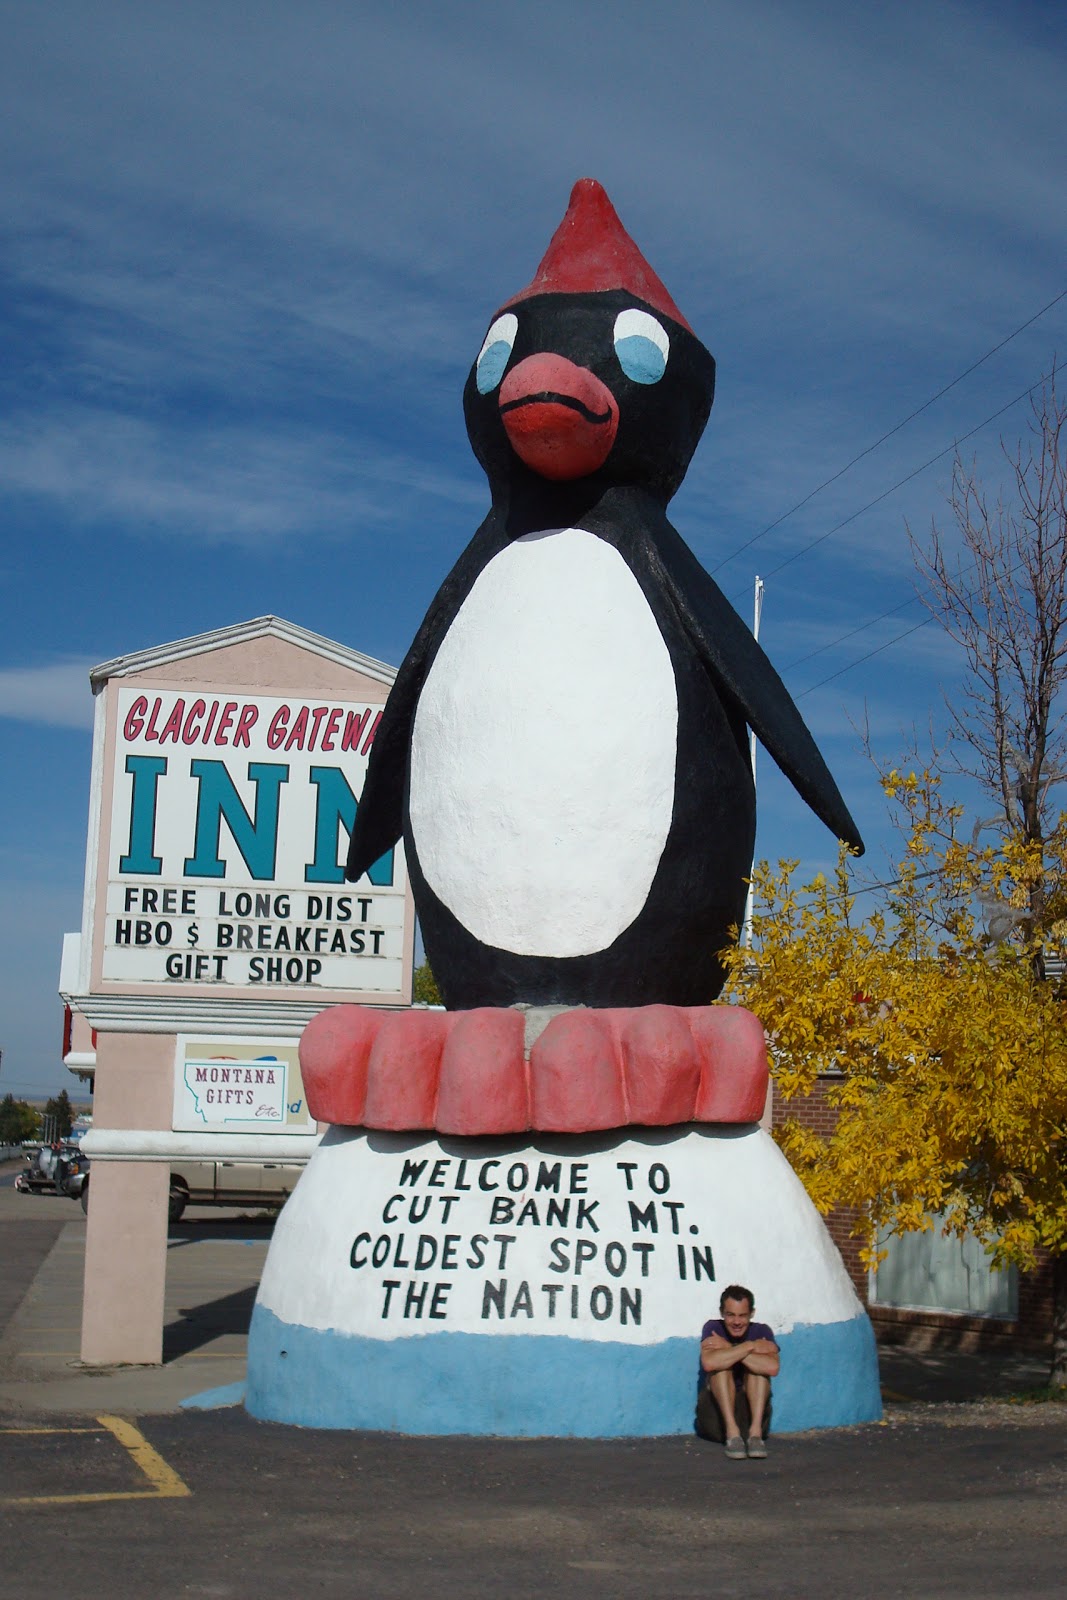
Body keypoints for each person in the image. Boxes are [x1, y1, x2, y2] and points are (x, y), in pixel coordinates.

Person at [696, 1284, 779, 1460]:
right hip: (717, 1418)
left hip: (751, 1414)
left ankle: (755, 1436)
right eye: (730, 1315)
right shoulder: (713, 1328)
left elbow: (772, 1367)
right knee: (721, 1369)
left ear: (752, 1313)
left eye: (743, 1315)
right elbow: (709, 1363)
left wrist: (729, 1349)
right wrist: (751, 1347)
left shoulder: (762, 1331)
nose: (736, 1322)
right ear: (722, 1312)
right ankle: (732, 1434)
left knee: (758, 1371)